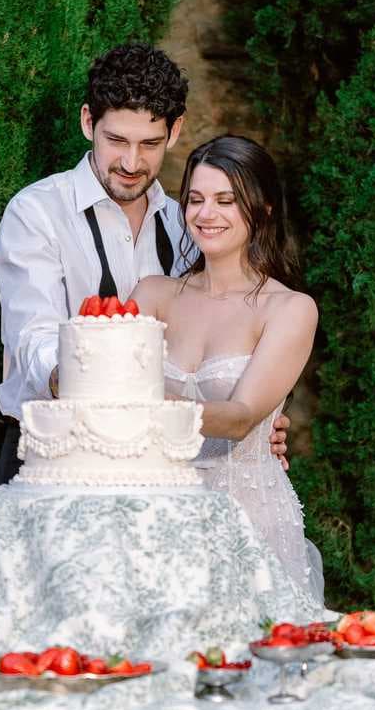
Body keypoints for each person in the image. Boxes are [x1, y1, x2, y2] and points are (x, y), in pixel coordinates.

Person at [0, 44, 291, 483]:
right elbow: (32, 340)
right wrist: (93, 385)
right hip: (54, 460)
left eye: (150, 144)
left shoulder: (189, 225)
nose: (132, 163)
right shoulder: (37, 213)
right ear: (87, 122)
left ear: (175, 132)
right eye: (116, 141)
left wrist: (247, 424)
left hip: (161, 469)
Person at [128, 134, 324, 600]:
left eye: (225, 200)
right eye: (195, 199)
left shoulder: (289, 308)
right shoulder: (153, 294)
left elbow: (238, 418)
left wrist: (140, 403)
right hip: (156, 514)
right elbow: (103, 372)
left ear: (263, 209)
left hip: (248, 520)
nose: (205, 214)